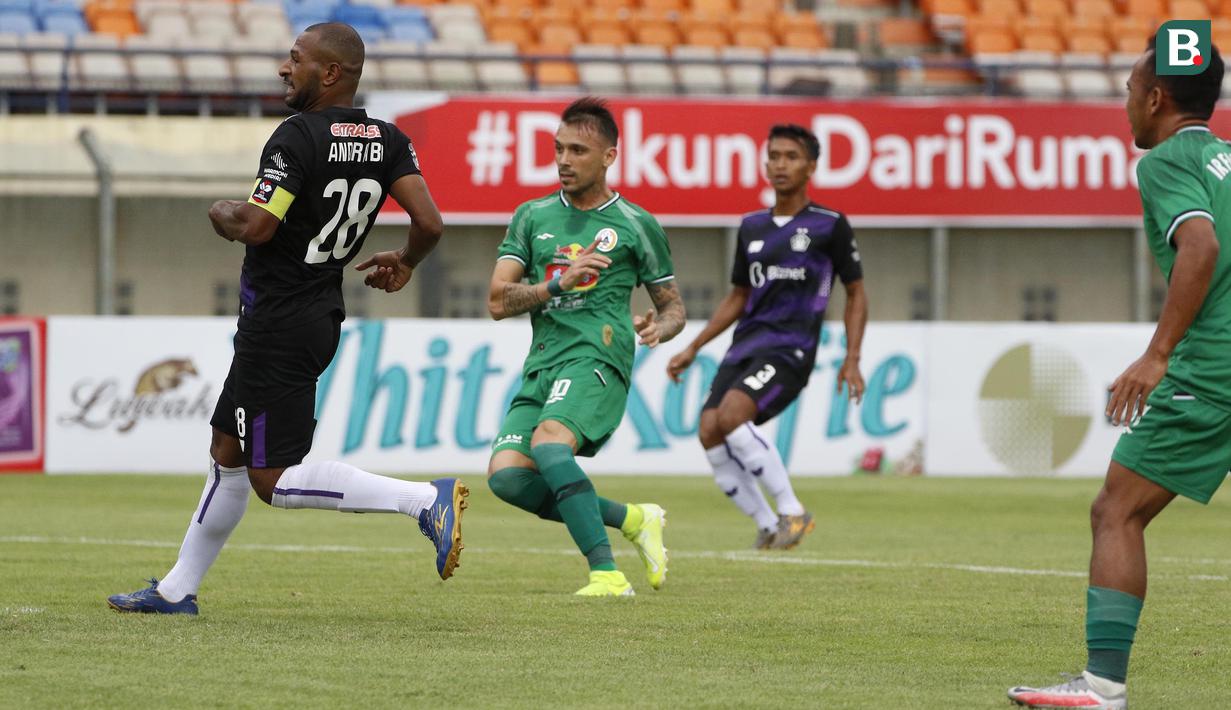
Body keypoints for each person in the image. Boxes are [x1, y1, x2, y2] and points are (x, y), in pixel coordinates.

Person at [107, 23, 463, 616]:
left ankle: (424, 499)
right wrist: (404, 261)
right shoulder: (388, 139)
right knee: (229, 451)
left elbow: (258, 225)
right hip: (314, 315)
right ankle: (175, 590)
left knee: (274, 480)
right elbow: (430, 224)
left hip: (278, 323)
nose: (283, 67)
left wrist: (222, 211)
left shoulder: (296, 137)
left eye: (295, 59)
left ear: (329, 73)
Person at [1009, 38, 1227, 710]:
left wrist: (1157, 353)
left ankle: (1101, 686)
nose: (1125, 105)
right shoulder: (1225, 162)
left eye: (1130, 91)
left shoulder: (1165, 162)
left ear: (1156, 98)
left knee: (1116, 510)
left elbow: (1200, 246)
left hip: (1214, 366)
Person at [485, 97, 686, 597]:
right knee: (508, 479)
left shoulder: (636, 224)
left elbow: (674, 306)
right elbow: (496, 300)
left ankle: (606, 573)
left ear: (609, 156)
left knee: (550, 444)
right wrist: (556, 285)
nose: (564, 160)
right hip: (543, 364)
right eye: (558, 149)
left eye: (577, 150)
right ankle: (635, 518)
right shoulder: (531, 217)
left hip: (599, 357)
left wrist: (661, 327)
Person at [666, 124, 867, 550]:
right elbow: (739, 294)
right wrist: (693, 346)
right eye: (774, 155)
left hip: (791, 347)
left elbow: (856, 292)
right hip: (746, 345)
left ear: (811, 166)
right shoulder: (751, 226)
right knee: (708, 429)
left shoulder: (829, 225)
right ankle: (767, 524)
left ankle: (792, 511)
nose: (780, 164)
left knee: (733, 416)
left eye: (791, 156)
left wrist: (852, 358)